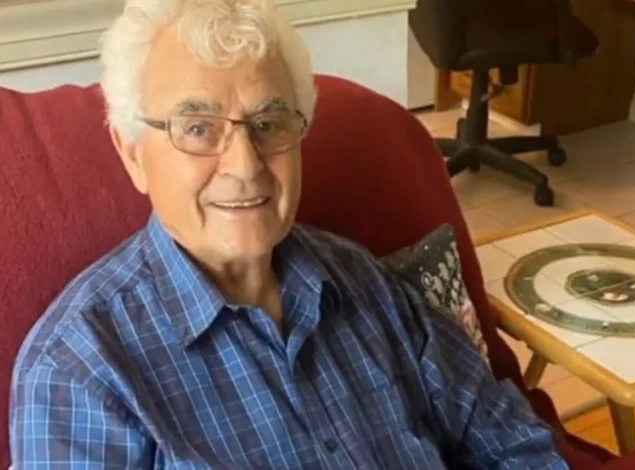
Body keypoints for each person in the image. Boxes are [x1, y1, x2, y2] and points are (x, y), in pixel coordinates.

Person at [9, 0, 566, 468]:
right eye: (198, 128)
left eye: (268, 123)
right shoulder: (79, 373)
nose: (245, 165)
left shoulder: (365, 281)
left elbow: (513, 444)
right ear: (132, 154)